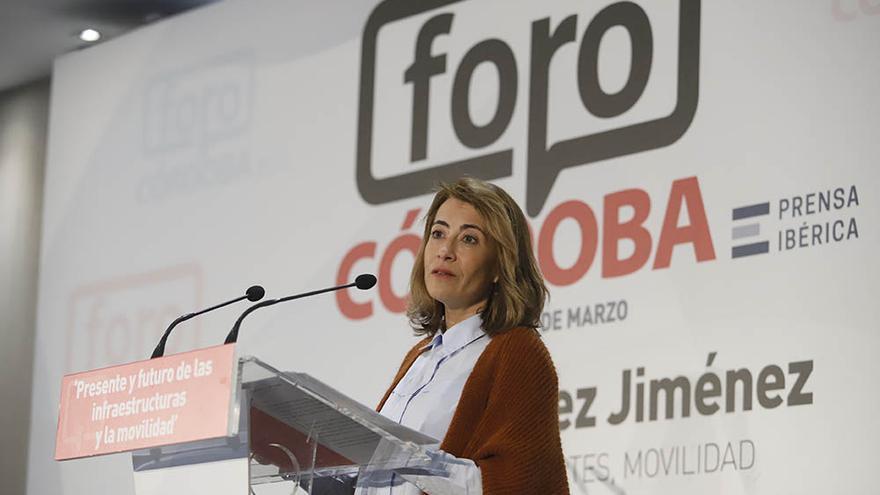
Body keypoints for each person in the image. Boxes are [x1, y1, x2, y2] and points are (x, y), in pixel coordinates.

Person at [374, 177, 569, 494]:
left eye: (468, 239)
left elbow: (523, 483)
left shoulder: (515, 351)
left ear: (499, 266)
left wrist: (410, 461)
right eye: (438, 234)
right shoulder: (420, 356)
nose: (445, 251)